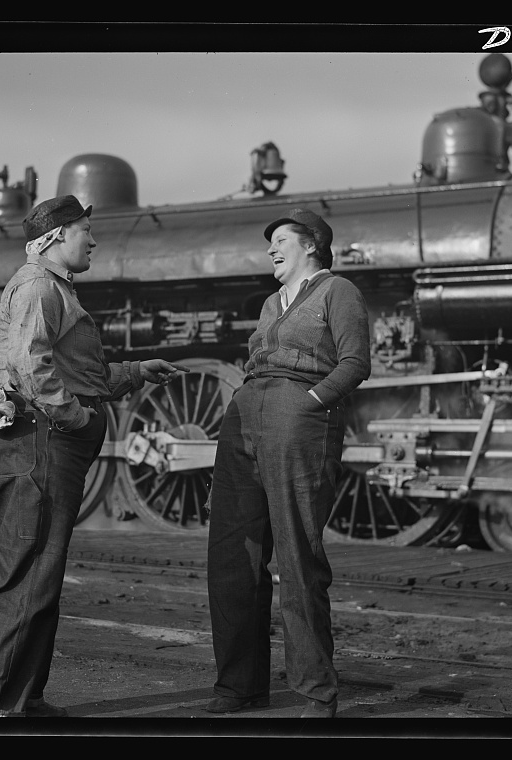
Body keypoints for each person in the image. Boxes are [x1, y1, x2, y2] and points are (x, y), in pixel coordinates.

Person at [0, 195, 186, 718]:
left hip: (41, 443)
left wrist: (136, 372)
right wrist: (77, 419)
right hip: (39, 444)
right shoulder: (39, 287)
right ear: (59, 235)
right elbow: (31, 369)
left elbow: (76, 372)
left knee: (43, 572)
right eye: (86, 230)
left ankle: (23, 700)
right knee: (28, 572)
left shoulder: (54, 288)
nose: (94, 240)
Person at [205, 209, 371, 719]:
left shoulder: (338, 291)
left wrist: (311, 402)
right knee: (234, 555)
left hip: (297, 418)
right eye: (270, 242)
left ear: (312, 244)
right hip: (245, 417)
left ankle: (316, 691)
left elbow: (355, 362)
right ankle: (240, 685)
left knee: (298, 556)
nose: (271, 249)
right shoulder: (270, 302)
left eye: (281, 240)